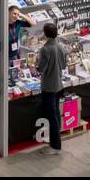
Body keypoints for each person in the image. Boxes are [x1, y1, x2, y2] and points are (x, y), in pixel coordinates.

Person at [36, 21, 68, 155]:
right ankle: (55, 142)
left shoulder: (45, 49)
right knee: (55, 114)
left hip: (48, 86)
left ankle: (55, 145)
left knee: (52, 115)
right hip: (58, 85)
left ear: (45, 34)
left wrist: (36, 66)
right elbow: (64, 65)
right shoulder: (61, 47)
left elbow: (41, 68)